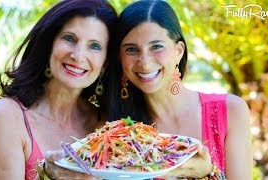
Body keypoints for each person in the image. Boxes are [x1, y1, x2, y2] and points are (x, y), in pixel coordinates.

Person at [107, 0, 252, 179]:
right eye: (131, 49)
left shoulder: (230, 111)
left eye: (156, 47)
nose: (144, 62)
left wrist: (208, 171)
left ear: (179, 51)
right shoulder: (114, 129)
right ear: (120, 58)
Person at [0, 0, 118, 179]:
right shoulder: (9, 116)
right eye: (69, 38)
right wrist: (45, 175)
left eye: (95, 46)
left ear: (105, 63)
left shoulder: (106, 125)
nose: (78, 56)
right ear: (49, 44)